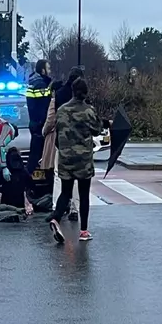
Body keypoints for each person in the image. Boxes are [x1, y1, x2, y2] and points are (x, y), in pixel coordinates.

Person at [48, 78, 110, 243]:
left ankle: (55, 218)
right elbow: (97, 130)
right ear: (85, 92)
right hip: (83, 159)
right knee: (83, 194)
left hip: (65, 157)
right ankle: (83, 231)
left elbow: (57, 130)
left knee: (66, 192)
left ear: (72, 91)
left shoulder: (61, 110)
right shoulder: (88, 111)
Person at [51, 67, 86, 220]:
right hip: (79, 144)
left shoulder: (59, 95)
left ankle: (56, 207)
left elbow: (54, 119)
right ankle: (75, 209)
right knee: (79, 178)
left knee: (59, 176)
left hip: (62, 143)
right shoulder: (83, 101)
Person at [25, 59, 53, 174]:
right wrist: (44, 124)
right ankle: (27, 181)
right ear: (43, 70)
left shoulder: (33, 82)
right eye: (48, 68)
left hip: (34, 123)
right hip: (39, 125)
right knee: (37, 156)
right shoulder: (40, 84)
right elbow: (44, 105)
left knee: (35, 155)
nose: (49, 71)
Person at [0, 146, 34, 215]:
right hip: (20, 205)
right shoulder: (24, 172)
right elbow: (32, 187)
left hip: (6, 206)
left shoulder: (3, 173)